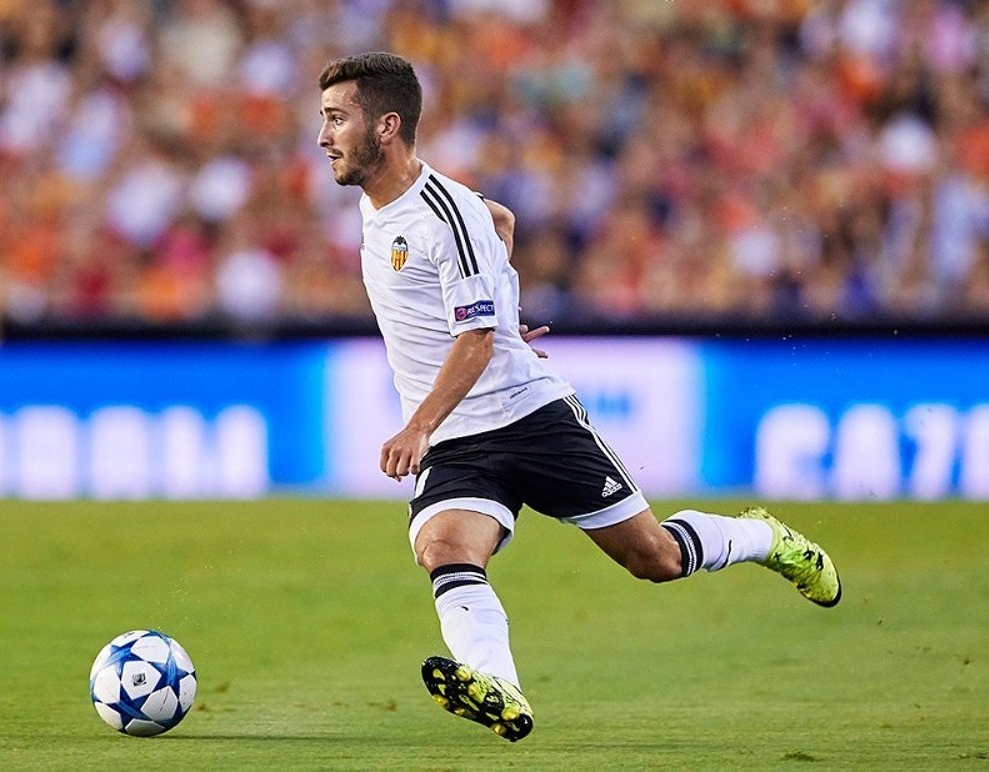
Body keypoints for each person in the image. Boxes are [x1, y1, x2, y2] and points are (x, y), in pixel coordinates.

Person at [316, 52, 841, 743]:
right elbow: (502, 221)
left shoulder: (444, 213)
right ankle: (500, 686)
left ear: (386, 126)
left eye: (336, 119)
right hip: (458, 438)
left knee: (655, 559)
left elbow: (474, 336)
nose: (323, 136)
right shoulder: (386, 206)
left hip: (529, 418)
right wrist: (502, 307)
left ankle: (764, 538)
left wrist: (424, 416)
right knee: (444, 547)